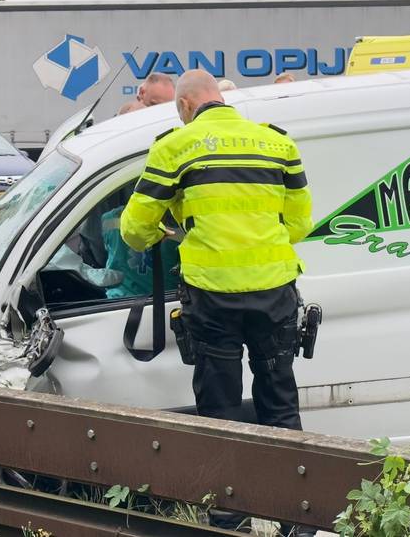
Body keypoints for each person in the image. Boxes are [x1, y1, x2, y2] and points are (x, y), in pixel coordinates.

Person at [120, 69, 313, 535]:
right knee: (280, 404)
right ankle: (297, 520)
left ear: (185, 105)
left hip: (213, 300)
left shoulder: (175, 147)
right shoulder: (277, 144)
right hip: (274, 295)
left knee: (221, 411)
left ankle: (230, 522)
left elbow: (133, 229)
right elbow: (301, 224)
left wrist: (173, 234)